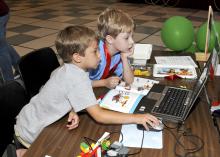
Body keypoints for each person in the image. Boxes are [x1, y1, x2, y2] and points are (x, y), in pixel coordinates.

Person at [13, 25, 159, 157]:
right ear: (77, 57)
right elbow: (99, 116)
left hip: (27, 119)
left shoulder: (66, 69)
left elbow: (57, 90)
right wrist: (138, 118)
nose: (100, 55)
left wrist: (72, 108)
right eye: (95, 52)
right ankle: (22, 152)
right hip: (32, 132)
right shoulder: (77, 78)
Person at [89, 8, 135, 89]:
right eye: (126, 38)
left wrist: (124, 58)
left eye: (132, 37)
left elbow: (129, 81)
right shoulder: (94, 53)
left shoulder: (118, 53)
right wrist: (104, 82)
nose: (132, 41)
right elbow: (76, 83)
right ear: (110, 39)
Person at [0, 0, 20, 82]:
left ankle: (9, 81)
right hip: (3, 11)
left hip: (1, 14)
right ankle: (21, 68)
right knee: (3, 45)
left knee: (1, 49)